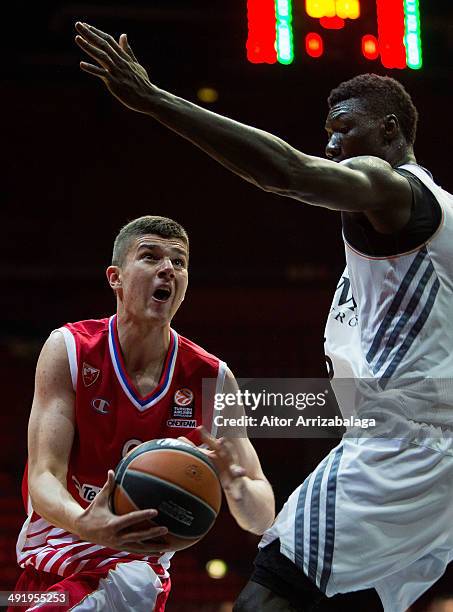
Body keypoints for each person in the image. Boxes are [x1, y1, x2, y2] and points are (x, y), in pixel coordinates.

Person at [74, 22, 453, 612]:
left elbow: (287, 173)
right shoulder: (441, 222)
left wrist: (153, 100)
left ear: (389, 130)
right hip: (430, 457)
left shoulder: (394, 189)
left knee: (270, 588)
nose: (330, 146)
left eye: (342, 130)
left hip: (401, 445)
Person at [12, 215, 275, 611]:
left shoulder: (212, 377)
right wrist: (86, 523)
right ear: (116, 277)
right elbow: (44, 474)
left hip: (132, 575)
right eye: (150, 257)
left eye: (179, 262)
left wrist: (236, 486)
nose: (168, 269)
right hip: (49, 560)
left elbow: (261, 516)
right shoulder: (69, 348)